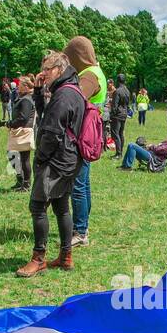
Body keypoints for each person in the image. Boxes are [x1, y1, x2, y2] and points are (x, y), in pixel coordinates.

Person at [17, 50, 84, 278]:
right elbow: (46, 115)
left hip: (56, 160)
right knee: (61, 206)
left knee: (38, 206)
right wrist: (38, 90)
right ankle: (66, 256)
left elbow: (52, 131)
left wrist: (40, 158)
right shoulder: (70, 90)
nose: (43, 73)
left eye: (47, 69)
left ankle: (38, 259)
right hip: (68, 159)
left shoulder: (64, 95)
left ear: (60, 69)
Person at [63, 35, 104, 248]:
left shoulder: (89, 76)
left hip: (82, 135)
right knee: (84, 183)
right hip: (90, 134)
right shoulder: (96, 72)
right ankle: (83, 225)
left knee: (78, 185)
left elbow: (74, 102)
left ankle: (80, 230)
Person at [2, 75, 35, 191]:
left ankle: (26, 184)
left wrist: (10, 123)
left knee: (24, 158)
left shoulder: (26, 99)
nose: (17, 85)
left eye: (20, 84)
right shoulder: (23, 97)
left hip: (23, 131)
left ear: (26, 86)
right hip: (19, 130)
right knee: (13, 155)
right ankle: (20, 180)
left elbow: (23, 118)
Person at [109, 73, 131, 157]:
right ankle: (120, 152)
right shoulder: (127, 91)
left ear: (118, 81)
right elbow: (127, 104)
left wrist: (111, 116)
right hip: (124, 114)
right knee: (121, 133)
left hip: (117, 115)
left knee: (115, 133)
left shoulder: (117, 91)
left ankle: (118, 153)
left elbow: (115, 105)